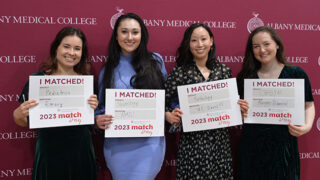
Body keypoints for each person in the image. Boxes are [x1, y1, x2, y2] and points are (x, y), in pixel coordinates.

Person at [165, 23, 248, 180]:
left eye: (203, 39)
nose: (199, 44)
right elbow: (164, 102)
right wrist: (170, 115)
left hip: (220, 144)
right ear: (188, 44)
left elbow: (231, 107)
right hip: (192, 145)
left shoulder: (224, 71)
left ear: (211, 41)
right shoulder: (179, 72)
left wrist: (240, 112)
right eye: (194, 40)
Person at [13, 26, 98, 180]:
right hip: (50, 151)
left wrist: (93, 107)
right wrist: (18, 114)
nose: (71, 53)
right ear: (56, 48)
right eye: (66, 46)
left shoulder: (86, 83)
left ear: (82, 53)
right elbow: (22, 121)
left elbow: (91, 118)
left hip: (81, 151)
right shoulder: (38, 80)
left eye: (77, 49)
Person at [95, 13, 167, 180]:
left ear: (142, 35)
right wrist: (97, 119)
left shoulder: (156, 61)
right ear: (116, 35)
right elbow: (100, 108)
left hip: (150, 144)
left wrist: (172, 112)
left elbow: (167, 99)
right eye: (124, 32)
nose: (130, 37)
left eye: (135, 32)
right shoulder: (108, 69)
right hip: (117, 146)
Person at [237, 26, 315, 180]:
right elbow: (239, 114)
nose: (262, 50)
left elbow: (309, 105)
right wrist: (241, 112)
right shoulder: (245, 77)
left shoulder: (296, 74)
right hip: (252, 147)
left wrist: (306, 126)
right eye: (256, 46)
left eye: (267, 44)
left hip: (284, 147)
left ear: (277, 45)